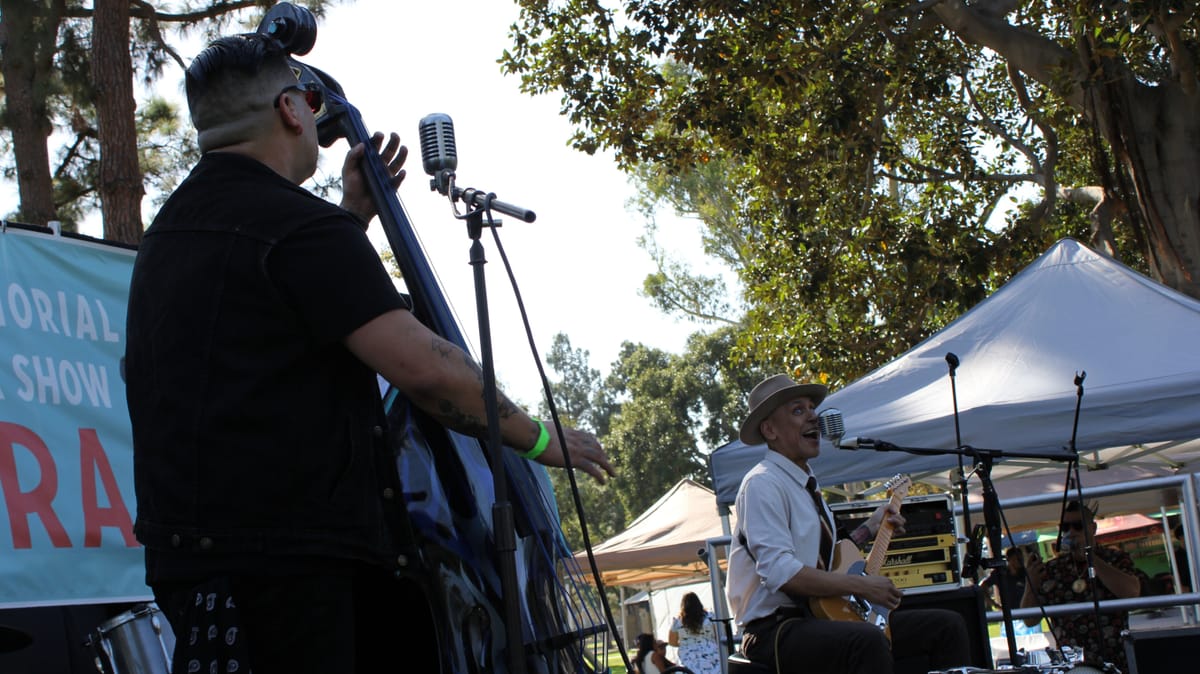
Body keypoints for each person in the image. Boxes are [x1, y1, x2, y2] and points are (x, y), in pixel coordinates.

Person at [123, 33, 615, 674]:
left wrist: (352, 217)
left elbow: (269, 331)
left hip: (198, 572)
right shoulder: (298, 227)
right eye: (305, 97)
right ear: (293, 111)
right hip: (299, 569)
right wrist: (542, 441)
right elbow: (430, 370)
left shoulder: (169, 236)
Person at [726, 374, 971, 674]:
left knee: (947, 627)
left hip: (818, 618)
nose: (813, 416)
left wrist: (872, 525)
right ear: (769, 429)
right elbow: (782, 572)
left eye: (811, 408)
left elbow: (830, 559)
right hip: (775, 630)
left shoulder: (806, 486)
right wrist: (863, 585)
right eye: (798, 410)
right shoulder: (762, 484)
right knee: (866, 642)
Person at [1021, 501, 1146, 672]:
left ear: (1092, 529)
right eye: (1065, 527)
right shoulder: (1052, 569)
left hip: (1115, 661)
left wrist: (1091, 558)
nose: (1071, 532)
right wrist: (1031, 585)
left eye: (1078, 526)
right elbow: (1030, 620)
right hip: (1073, 665)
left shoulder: (1115, 559)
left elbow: (1132, 593)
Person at [668, 591, 721, 674]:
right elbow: (718, 635)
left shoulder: (678, 622)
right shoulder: (710, 617)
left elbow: (672, 642)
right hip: (711, 657)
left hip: (688, 660)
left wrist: (685, 643)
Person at [979, 546, 1028, 612]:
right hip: (1009, 613)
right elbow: (983, 586)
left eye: (1021, 558)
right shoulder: (1000, 573)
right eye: (1018, 559)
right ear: (1009, 559)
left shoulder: (1026, 573)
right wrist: (994, 604)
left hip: (1026, 611)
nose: (1021, 561)